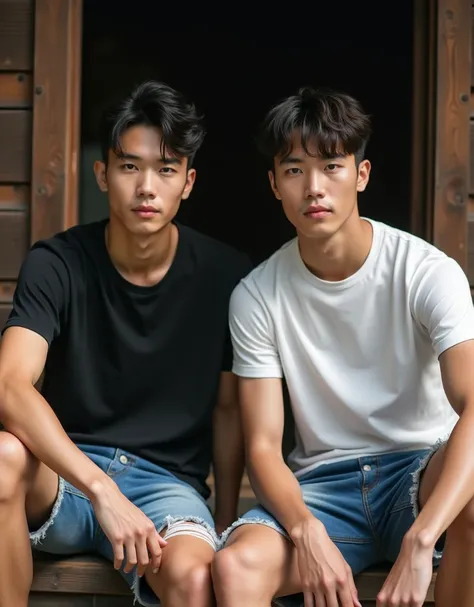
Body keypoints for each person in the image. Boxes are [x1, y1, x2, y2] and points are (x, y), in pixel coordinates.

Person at [212, 86, 474, 607]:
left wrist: (422, 540)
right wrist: (306, 531)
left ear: (361, 175)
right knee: (235, 567)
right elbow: (263, 445)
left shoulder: (426, 272)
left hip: (419, 472)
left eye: (331, 166)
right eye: (294, 170)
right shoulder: (257, 294)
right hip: (322, 490)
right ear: (274, 184)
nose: (314, 187)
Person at [0, 80, 252, 607]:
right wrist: (101, 489)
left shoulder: (228, 277)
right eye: (129, 166)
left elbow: (230, 410)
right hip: (66, 476)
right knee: (2, 457)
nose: (147, 187)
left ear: (188, 182)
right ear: (102, 174)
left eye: (166, 169)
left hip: (167, 489)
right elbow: (9, 385)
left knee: (197, 581)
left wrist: (226, 519)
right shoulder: (58, 263)